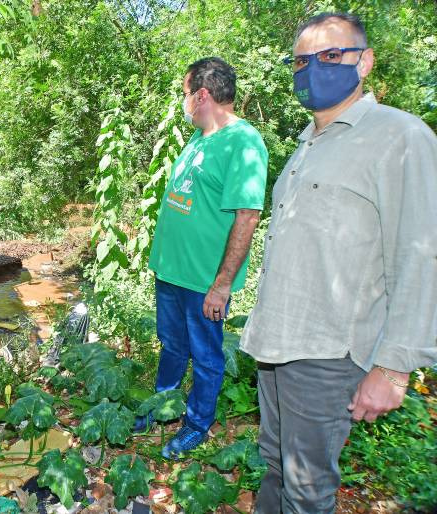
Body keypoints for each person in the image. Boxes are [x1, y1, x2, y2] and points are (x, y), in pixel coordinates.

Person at [240, 12, 437, 512]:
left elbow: (421, 253)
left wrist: (394, 369)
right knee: (274, 466)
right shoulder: (306, 146)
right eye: (302, 61)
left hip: (329, 354)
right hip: (277, 344)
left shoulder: (400, 137)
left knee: (307, 490)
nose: (314, 69)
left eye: (331, 56)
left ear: (364, 62)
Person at [144, 57, 268, 458]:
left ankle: (197, 424)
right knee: (173, 346)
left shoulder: (244, 142)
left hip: (203, 282)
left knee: (206, 356)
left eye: (185, 94)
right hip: (172, 273)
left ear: (202, 95)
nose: (183, 102)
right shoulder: (200, 138)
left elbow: (247, 216)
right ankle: (161, 407)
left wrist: (222, 285)